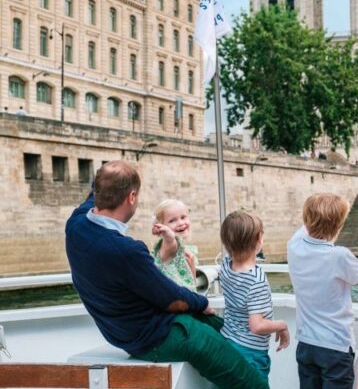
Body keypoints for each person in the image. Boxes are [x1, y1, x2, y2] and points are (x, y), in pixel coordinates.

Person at [65, 160, 268, 389]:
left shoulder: (76, 223)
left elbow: (94, 193)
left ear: (100, 192)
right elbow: (173, 300)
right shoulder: (126, 250)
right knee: (241, 374)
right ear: (132, 197)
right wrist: (202, 303)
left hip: (122, 331)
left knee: (222, 328)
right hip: (153, 336)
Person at [288, 193, 358, 389]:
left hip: (306, 344)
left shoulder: (294, 246)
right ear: (340, 225)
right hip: (335, 346)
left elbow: (306, 226)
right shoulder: (340, 256)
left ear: (306, 220)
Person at [219, 210, 290, 381]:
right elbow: (257, 326)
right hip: (250, 353)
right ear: (259, 239)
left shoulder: (226, 265)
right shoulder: (256, 280)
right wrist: (282, 325)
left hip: (227, 342)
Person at [152, 199, 198, 289]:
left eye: (183, 217)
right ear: (161, 226)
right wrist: (167, 235)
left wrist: (192, 267)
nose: (180, 223)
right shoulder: (166, 247)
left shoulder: (189, 250)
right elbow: (170, 241)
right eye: (172, 221)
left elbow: (192, 283)